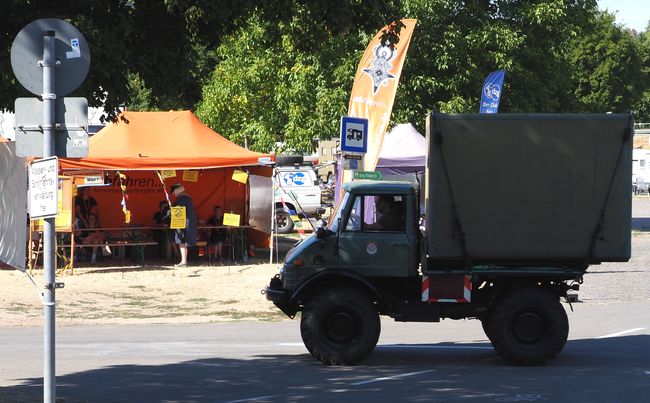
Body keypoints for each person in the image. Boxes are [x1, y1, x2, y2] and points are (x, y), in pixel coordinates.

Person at [170, 183, 197, 267]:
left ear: (178, 190)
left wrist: (170, 210)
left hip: (183, 223)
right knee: (182, 241)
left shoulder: (182, 198)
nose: (173, 194)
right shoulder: (187, 198)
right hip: (187, 222)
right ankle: (183, 260)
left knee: (181, 241)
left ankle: (184, 261)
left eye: (174, 191)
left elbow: (178, 211)